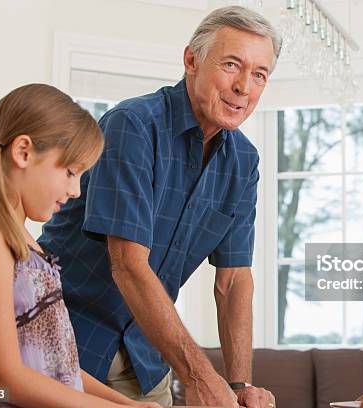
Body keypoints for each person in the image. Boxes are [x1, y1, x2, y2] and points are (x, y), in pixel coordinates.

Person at [38, 5, 280, 408]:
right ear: (191, 60)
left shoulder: (244, 162)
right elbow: (129, 265)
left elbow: (234, 280)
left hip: (147, 359)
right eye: (232, 64)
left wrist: (238, 388)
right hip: (69, 345)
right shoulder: (132, 125)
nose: (244, 87)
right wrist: (201, 378)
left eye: (259, 74)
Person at [0, 84, 160, 408]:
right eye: (70, 172)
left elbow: (61, 368)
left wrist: (129, 404)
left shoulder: (24, 243)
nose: (75, 190)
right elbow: (4, 381)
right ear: (23, 152)